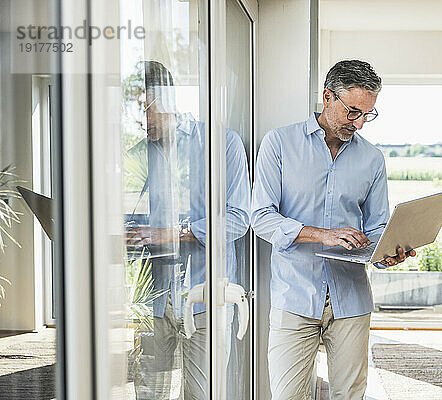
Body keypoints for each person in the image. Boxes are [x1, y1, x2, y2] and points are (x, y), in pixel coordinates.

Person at [251, 59, 416, 399]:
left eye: (367, 114)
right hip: (294, 298)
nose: (358, 123)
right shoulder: (279, 144)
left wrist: (388, 252)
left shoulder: (372, 159)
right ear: (327, 97)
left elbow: (377, 226)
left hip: (351, 299)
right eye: (352, 111)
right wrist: (321, 234)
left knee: (350, 396)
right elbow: (261, 217)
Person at [126, 60, 251, 399]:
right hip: (154, 301)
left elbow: (240, 218)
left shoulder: (221, 142)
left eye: (144, 109)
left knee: (203, 394)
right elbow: (135, 216)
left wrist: (171, 233)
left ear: (165, 100)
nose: (139, 120)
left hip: (204, 298)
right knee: (150, 393)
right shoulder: (138, 153)